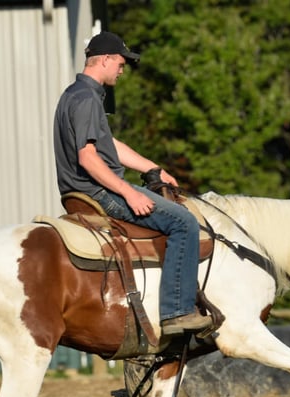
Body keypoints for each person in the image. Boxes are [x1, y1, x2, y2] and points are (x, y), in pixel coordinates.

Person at [53, 31, 212, 336]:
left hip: (83, 191)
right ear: (105, 59)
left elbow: (109, 145)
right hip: (99, 193)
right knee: (184, 223)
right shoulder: (86, 99)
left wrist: (153, 168)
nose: (122, 70)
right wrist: (129, 192)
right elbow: (88, 157)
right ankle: (177, 312)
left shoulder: (75, 94)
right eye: (121, 63)